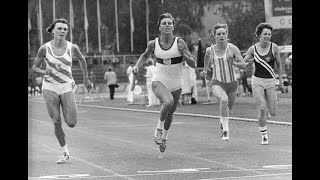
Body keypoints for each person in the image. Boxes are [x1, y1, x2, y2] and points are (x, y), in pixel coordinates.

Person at [132, 13, 196, 152]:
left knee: (170, 114)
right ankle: (158, 130)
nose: (167, 25)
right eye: (164, 23)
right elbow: (144, 55)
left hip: (176, 83)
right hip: (159, 81)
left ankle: (164, 138)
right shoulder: (153, 43)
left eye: (169, 23)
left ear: (173, 26)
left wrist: (184, 53)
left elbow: (193, 64)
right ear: (159, 27)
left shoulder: (180, 42)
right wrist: (137, 65)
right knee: (168, 102)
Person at [32, 18, 91, 164]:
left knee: (71, 122)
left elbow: (82, 60)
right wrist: (45, 72)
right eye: (59, 28)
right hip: (49, 87)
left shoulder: (72, 47)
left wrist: (85, 79)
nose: (62, 31)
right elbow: (34, 67)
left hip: (66, 85)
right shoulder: (45, 48)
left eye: (65, 29)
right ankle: (64, 151)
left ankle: (67, 110)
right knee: (56, 121)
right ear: (53, 30)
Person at [200, 23, 246, 141]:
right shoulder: (210, 50)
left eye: (223, 34)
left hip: (232, 85)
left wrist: (234, 63)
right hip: (217, 83)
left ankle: (223, 122)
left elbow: (243, 65)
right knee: (223, 100)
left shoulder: (233, 49)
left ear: (227, 35)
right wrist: (205, 70)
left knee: (227, 109)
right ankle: (226, 131)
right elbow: (206, 57)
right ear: (214, 36)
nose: (221, 36)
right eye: (219, 34)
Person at [243, 22, 285, 145]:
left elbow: (279, 65)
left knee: (273, 112)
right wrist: (245, 63)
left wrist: (281, 82)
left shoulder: (274, 47)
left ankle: (269, 104)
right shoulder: (253, 49)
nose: (267, 36)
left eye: (269, 34)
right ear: (259, 35)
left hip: (271, 81)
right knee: (262, 107)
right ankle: (264, 135)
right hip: (257, 81)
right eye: (265, 34)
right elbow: (243, 63)